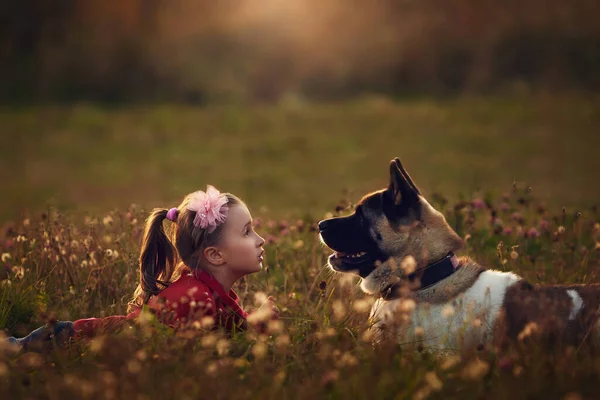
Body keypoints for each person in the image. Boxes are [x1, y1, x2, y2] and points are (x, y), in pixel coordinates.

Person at [5, 185, 278, 351]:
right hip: (69, 341)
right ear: (215, 254)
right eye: (247, 232)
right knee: (13, 354)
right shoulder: (196, 297)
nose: (261, 239)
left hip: (83, 342)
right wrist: (257, 323)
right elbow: (194, 352)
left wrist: (257, 320)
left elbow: (231, 331)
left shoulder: (212, 292)